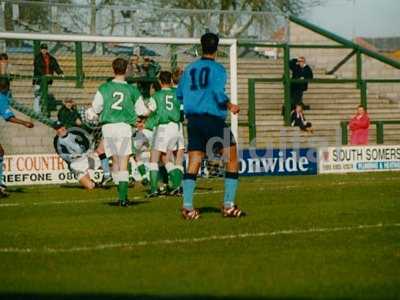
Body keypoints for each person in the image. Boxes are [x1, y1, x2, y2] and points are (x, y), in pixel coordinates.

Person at [176, 32, 244, 220]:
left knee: (194, 161)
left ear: (201, 46)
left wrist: (194, 99)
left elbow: (179, 94)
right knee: (231, 157)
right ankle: (228, 205)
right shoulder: (218, 69)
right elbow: (216, 91)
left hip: (193, 120)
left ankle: (188, 207)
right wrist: (230, 105)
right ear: (217, 48)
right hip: (212, 119)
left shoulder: (190, 69)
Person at [86, 57, 142, 206]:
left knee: (115, 161)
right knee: (124, 161)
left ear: (113, 69)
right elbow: (142, 110)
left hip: (108, 127)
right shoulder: (132, 89)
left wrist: (91, 114)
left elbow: (96, 108)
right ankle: (124, 198)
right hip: (124, 126)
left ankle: (120, 197)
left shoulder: (104, 88)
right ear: (127, 70)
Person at [146, 71, 185, 198]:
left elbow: (148, 111)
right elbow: (182, 111)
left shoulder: (157, 96)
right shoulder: (178, 94)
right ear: (171, 81)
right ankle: (178, 187)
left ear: (160, 82)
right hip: (177, 126)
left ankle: (153, 189)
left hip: (163, 127)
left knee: (155, 158)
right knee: (176, 157)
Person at [0, 77, 34, 197]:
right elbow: (8, 117)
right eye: (8, 87)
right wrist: (24, 123)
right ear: (4, 87)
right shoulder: (2, 97)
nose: (9, 89)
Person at [53, 122, 99, 190]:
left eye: (61, 127)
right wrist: (73, 157)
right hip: (75, 164)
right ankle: (94, 183)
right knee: (90, 186)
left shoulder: (75, 134)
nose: (61, 129)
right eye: (58, 128)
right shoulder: (57, 141)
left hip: (85, 157)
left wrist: (88, 151)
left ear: (64, 127)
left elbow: (86, 144)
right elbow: (63, 155)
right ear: (56, 131)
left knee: (99, 157)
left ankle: (110, 172)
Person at [33, 43, 64, 113]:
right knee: (37, 95)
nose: (44, 50)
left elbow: (56, 66)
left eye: (45, 49)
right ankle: (36, 111)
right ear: (40, 50)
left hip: (47, 80)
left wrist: (60, 72)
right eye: (43, 49)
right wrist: (45, 74)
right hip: (39, 79)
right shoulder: (37, 58)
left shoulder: (51, 58)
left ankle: (44, 109)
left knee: (44, 95)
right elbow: (37, 68)